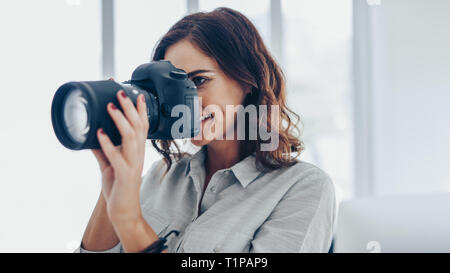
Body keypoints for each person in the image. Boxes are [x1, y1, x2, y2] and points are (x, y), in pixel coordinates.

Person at [76, 7, 336, 253]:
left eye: (199, 81)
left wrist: (131, 221)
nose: (184, 102)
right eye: (173, 88)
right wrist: (111, 185)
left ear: (248, 80)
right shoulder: (160, 177)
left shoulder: (303, 188)